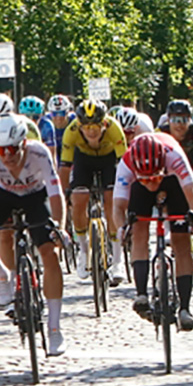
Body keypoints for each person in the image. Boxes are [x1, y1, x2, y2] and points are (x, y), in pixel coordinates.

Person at [0, 114, 68, 355]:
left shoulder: (40, 153)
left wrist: (60, 227)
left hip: (36, 196)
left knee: (50, 252)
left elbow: (56, 194)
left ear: (24, 143)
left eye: (13, 149)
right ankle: (2, 276)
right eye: (2, 151)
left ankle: (54, 327)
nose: (8, 156)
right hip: (4, 197)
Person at [113, 133, 193, 330]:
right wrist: (122, 229)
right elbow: (118, 206)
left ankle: (185, 308)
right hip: (139, 188)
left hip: (172, 182)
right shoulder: (127, 163)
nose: (151, 184)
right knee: (138, 230)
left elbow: (192, 191)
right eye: (146, 179)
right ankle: (141, 294)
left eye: (154, 178)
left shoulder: (174, 157)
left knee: (181, 241)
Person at [59, 99, 127, 284]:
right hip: (84, 161)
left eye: (96, 126)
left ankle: (118, 259)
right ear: (79, 125)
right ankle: (83, 249)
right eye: (86, 127)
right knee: (78, 198)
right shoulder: (71, 131)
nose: (91, 131)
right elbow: (65, 167)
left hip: (109, 160)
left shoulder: (115, 128)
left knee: (111, 200)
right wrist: (64, 193)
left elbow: (124, 164)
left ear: (104, 123)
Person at [159, 100, 193, 269]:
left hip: (190, 165)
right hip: (167, 167)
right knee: (165, 196)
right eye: (175, 120)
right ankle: (168, 228)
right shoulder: (160, 132)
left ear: (190, 120)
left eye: (183, 120)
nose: (179, 125)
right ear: (168, 120)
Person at [38, 94, 74, 165]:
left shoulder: (74, 120)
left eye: (62, 113)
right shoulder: (45, 123)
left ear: (67, 112)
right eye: (55, 114)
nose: (58, 117)